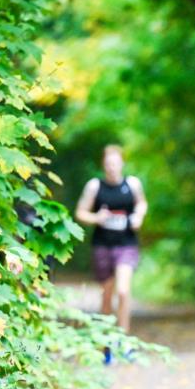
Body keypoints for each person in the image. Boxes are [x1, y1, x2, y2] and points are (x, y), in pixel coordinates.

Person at [76, 145, 148, 341]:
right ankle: (107, 342)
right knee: (107, 296)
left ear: (122, 164)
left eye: (115, 164)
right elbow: (80, 212)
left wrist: (138, 216)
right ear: (103, 165)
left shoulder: (132, 184)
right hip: (102, 246)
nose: (112, 168)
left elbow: (142, 203)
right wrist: (96, 218)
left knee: (123, 291)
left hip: (126, 245)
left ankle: (124, 340)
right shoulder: (94, 186)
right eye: (108, 164)